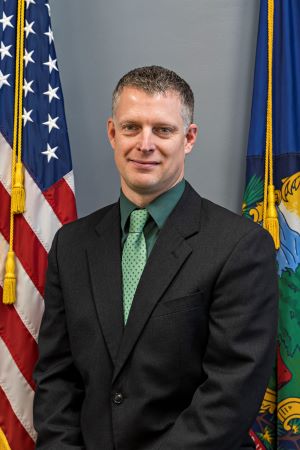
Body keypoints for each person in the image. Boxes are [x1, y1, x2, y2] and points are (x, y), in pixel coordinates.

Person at [33, 65, 278, 450]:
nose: (145, 144)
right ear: (113, 133)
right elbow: (56, 378)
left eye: (163, 130)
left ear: (189, 138)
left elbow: (229, 395)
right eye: (131, 127)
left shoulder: (241, 246)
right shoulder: (72, 245)